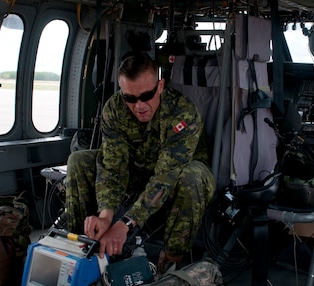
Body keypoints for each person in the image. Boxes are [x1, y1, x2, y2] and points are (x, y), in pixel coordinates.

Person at [65, 52, 216, 272]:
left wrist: (125, 224)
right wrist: (106, 216)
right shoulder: (114, 109)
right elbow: (113, 167)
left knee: (191, 176)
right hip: (137, 172)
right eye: (130, 98)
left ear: (160, 86)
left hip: (178, 180)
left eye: (146, 96)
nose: (139, 106)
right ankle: (84, 249)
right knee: (78, 160)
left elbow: (165, 178)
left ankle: (170, 263)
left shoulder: (182, 113)